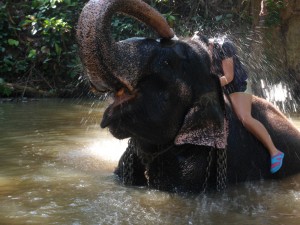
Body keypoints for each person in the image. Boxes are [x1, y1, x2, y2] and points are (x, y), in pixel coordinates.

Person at [207, 36, 284, 174]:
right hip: (226, 89)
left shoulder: (224, 46)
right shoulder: (206, 53)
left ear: (209, 44)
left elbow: (229, 77)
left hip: (239, 85)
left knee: (244, 118)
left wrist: (207, 85)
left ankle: (275, 151)